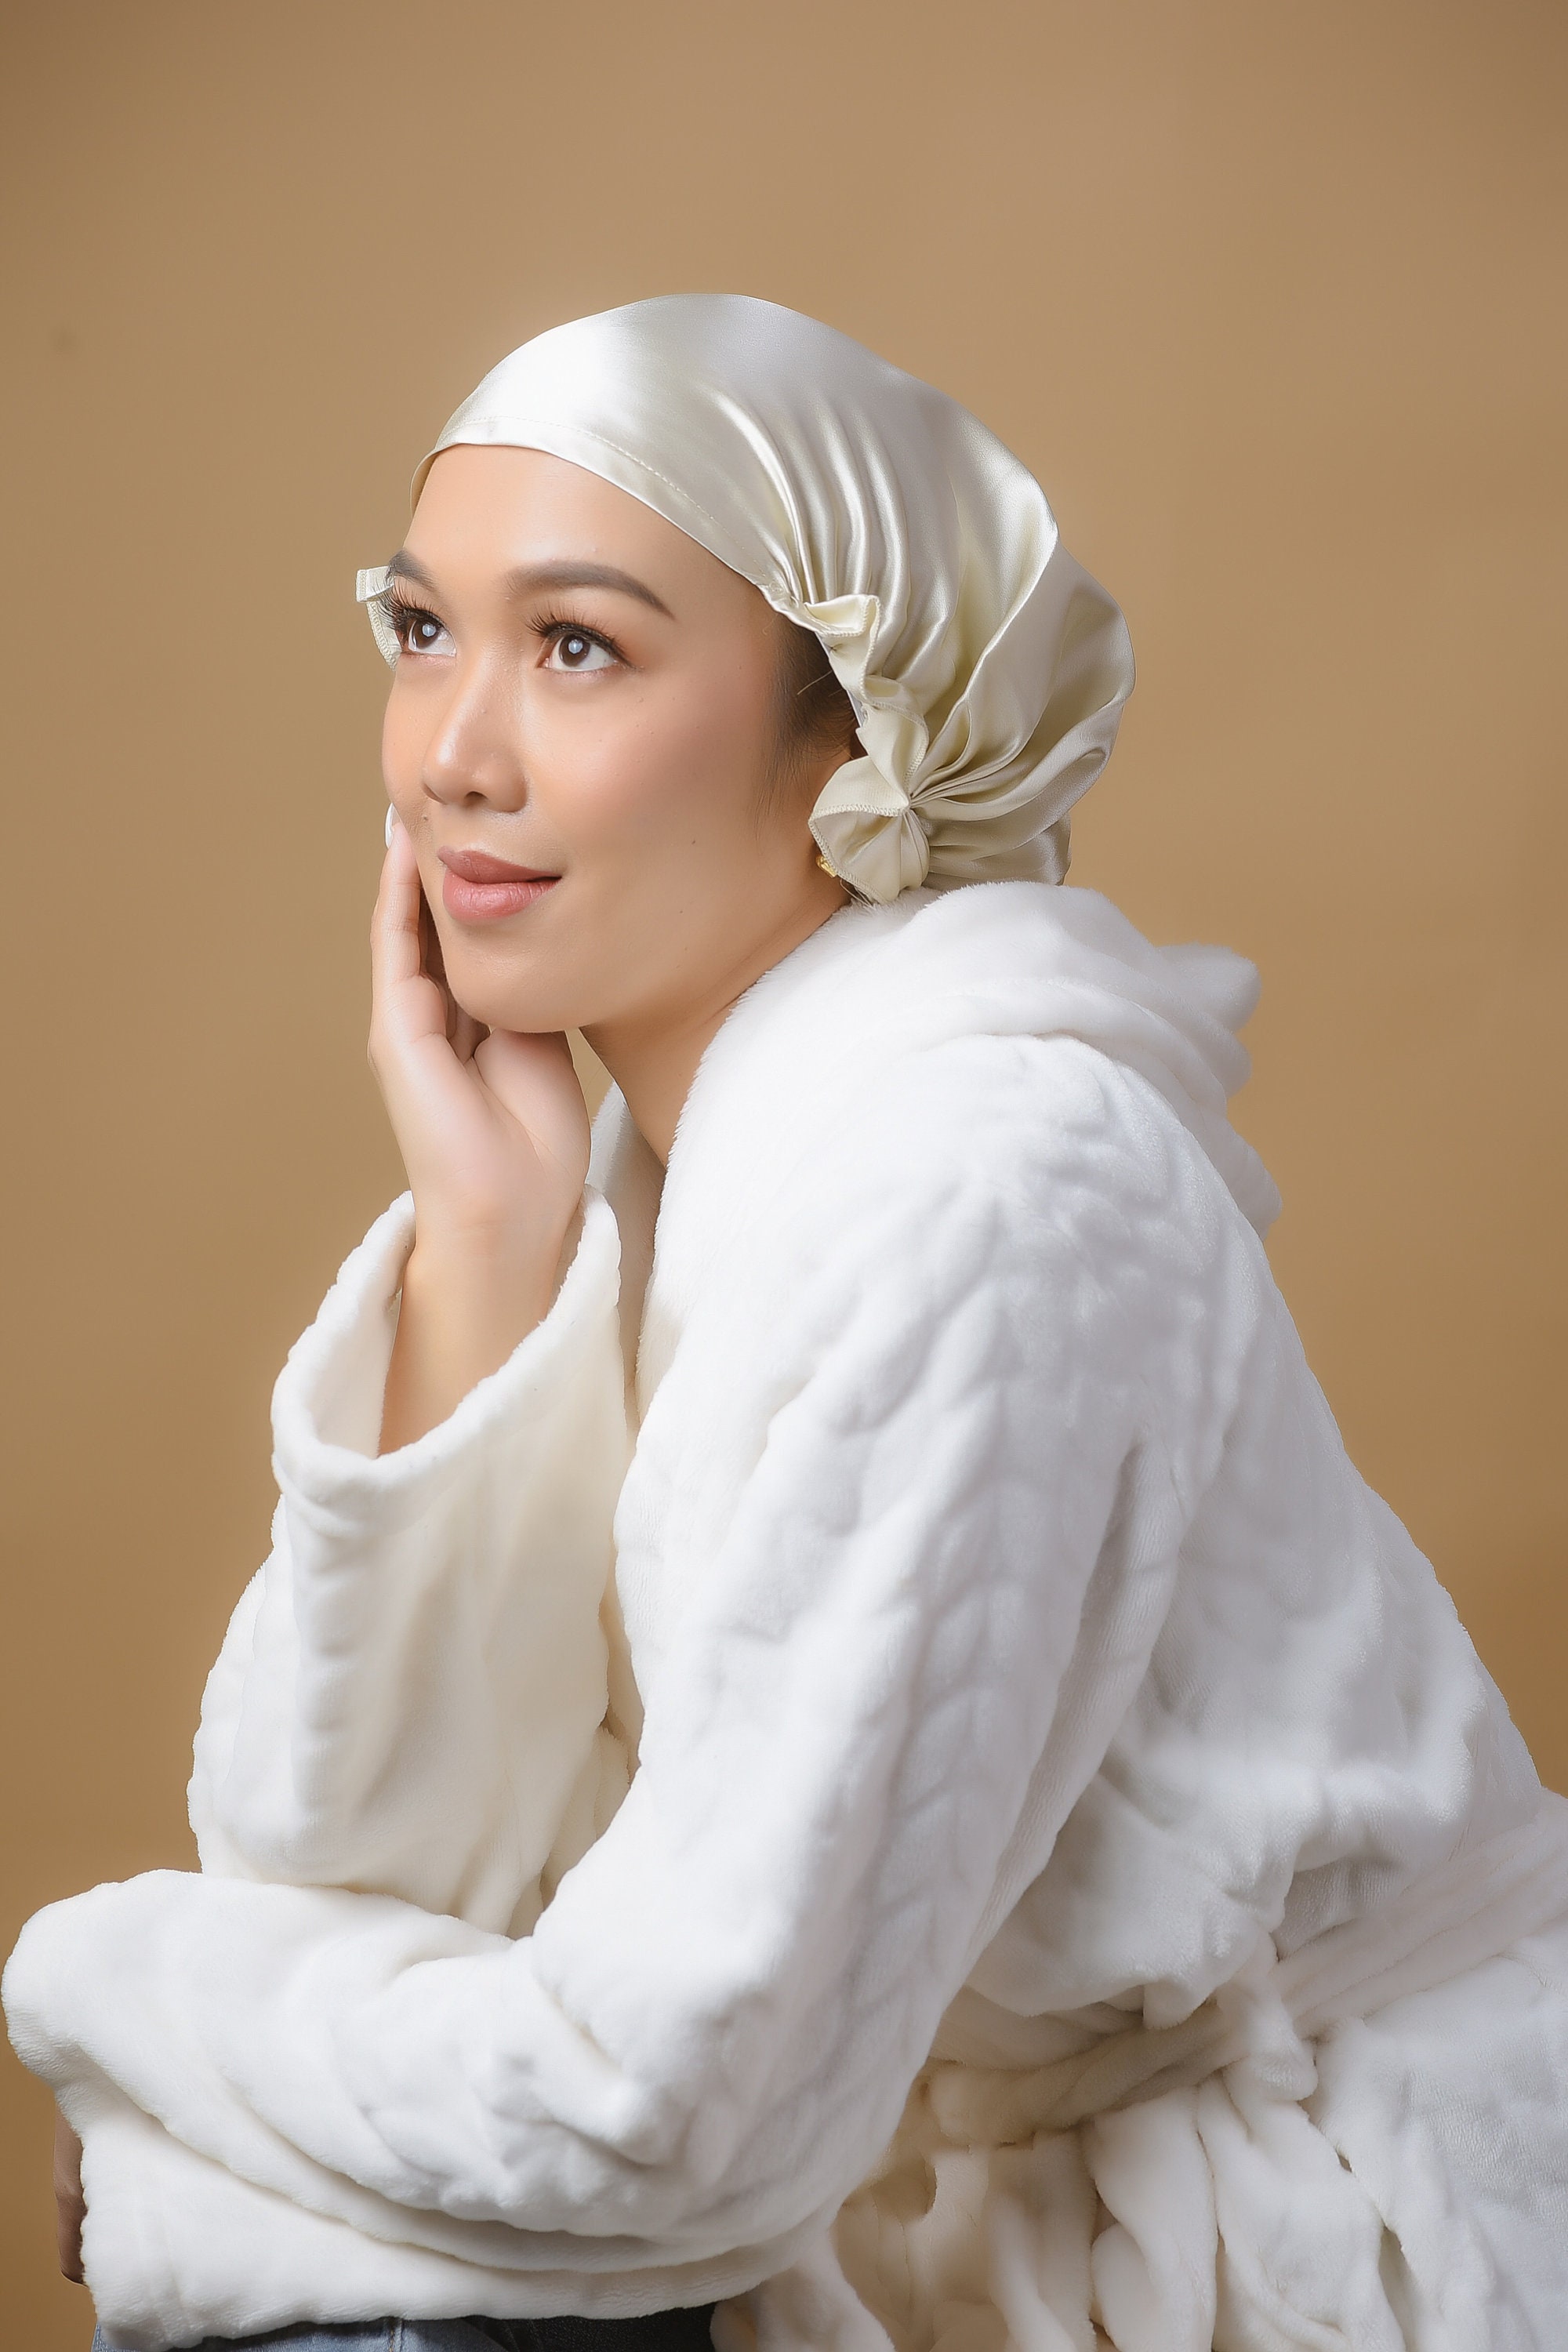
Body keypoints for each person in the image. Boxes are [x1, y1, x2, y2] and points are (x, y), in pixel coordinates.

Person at [6, 295, 1566, 2352]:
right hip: (933, 2237)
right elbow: (371, 1884)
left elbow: (673, 2114)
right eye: (421, 629)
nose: (453, 752)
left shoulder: (973, 1187)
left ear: (857, 728)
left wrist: (144, 2054)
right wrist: (487, 1251)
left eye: (578, 647)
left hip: (1331, 2268)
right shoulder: (665, 1183)